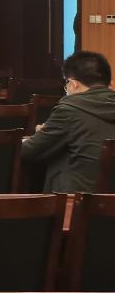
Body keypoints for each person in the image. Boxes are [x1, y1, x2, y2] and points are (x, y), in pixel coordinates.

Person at [22, 51, 115, 193]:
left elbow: (27, 151)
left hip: (77, 201)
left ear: (73, 84)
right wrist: (49, 131)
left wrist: (37, 136)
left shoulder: (70, 109)